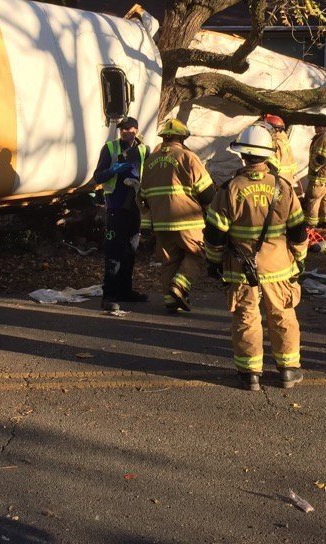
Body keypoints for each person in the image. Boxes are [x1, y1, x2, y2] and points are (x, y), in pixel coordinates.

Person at [205, 124, 308, 390]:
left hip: (241, 269)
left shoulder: (229, 190)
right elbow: (298, 231)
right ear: (267, 155)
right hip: (279, 267)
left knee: (246, 318)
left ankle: (250, 374)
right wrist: (299, 259)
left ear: (243, 155)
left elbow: (215, 235)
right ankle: (288, 370)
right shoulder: (283, 187)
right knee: (282, 315)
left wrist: (214, 263)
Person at [138, 118, 215, 313]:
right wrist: (211, 213)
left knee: (169, 260)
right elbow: (206, 192)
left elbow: (143, 197)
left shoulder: (150, 162)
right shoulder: (187, 157)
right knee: (198, 253)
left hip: (161, 222)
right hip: (187, 220)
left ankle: (171, 300)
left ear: (163, 138)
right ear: (182, 138)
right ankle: (179, 286)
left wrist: (147, 225)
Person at [91, 116, 149, 311]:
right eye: (122, 130)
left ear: (136, 130)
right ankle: (109, 295)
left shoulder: (143, 149)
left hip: (135, 205)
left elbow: (148, 175)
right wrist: (113, 170)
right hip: (115, 205)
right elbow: (97, 177)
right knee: (114, 252)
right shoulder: (110, 148)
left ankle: (126, 290)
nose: (125, 133)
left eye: (129, 130)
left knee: (130, 250)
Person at [304, 125, 326, 228]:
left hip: (320, 177)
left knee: (313, 199)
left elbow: (321, 159)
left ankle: (311, 223)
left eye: (316, 126)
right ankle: (325, 222)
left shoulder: (324, 138)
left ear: (323, 126)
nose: (314, 128)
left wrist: (314, 169)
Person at [261, 114, 298, 188]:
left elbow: (273, 165)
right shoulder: (283, 137)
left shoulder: (274, 142)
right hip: (288, 178)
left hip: (279, 181)